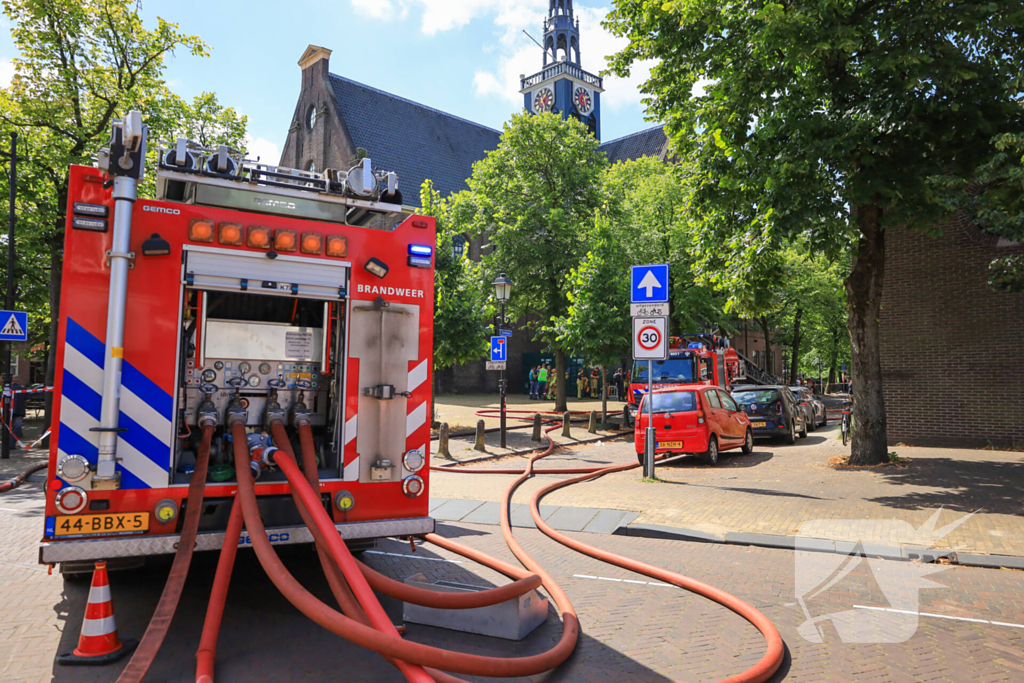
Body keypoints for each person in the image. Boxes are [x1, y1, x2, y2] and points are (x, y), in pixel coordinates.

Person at [9, 382, 25, 449]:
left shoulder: (7, 388)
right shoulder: (23, 388)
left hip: (9, 411)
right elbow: (28, 399)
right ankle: (12, 444)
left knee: (7, 427)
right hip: (19, 411)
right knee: (16, 428)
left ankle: (6, 444)